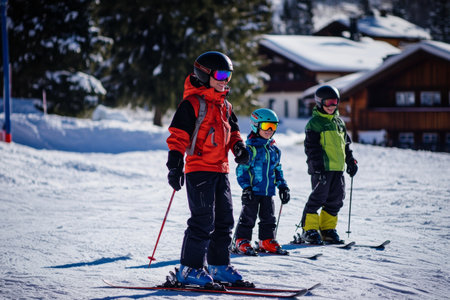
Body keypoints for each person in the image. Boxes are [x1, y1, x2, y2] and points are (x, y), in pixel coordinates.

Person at [166, 51, 250, 287]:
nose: (226, 80)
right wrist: (174, 165)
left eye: (229, 76)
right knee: (203, 221)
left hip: (221, 170)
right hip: (199, 169)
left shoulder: (225, 105)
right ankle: (189, 269)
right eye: (221, 74)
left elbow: (233, 132)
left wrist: (239, 149)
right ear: (204, 74)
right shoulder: (191, 104)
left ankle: (218, 265)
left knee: (224, 221)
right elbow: (178, 136)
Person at [300, 85, 358, 245]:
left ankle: (327, 230)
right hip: (322, 170)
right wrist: (317, 168)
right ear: (319, 103)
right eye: (328, 103)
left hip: (337, 169)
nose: (332, 106)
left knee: (336, 199)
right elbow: (311, 149)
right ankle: (309, 230)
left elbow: (345, 146)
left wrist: (350, 161)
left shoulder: (339, 123)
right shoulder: (314, 124)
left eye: (334, 102)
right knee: (318, 198)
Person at [233, 108, 290, 255]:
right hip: (253, 191)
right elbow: (241, 171)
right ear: (255, 125)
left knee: (269, 218)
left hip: (268, 191)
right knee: (248, 217)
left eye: (273, 127)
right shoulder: (249, 149)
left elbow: (277, 169)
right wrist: (246, 188)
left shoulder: (274, 151)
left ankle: (266, 240)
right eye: (266, 126)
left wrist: (283, 186)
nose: (270, 130)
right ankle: (241, 240)